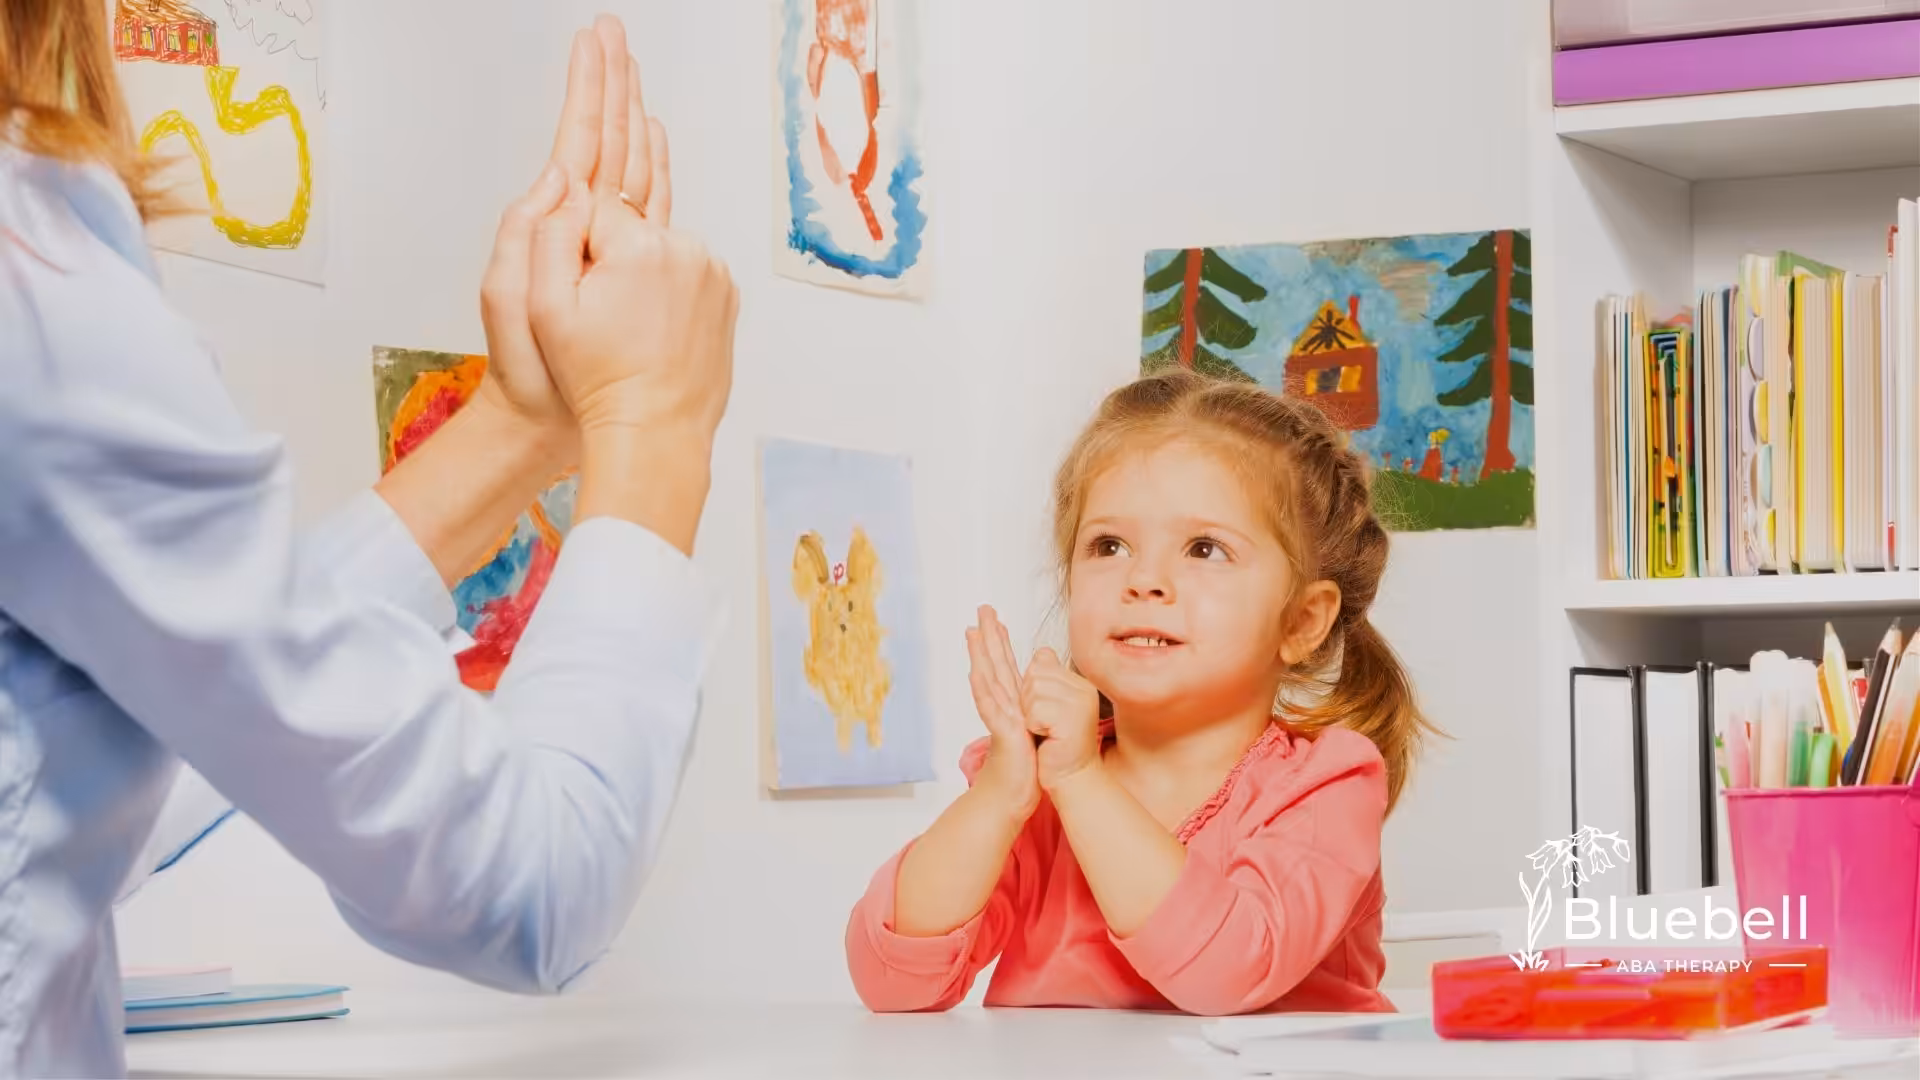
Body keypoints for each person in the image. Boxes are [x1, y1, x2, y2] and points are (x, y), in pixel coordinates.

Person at [0, 6, 737, 1076]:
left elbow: (78, 772)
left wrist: (517, 432)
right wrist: (656, 423)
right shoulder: (33, 285)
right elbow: (534, 883)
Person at [846, 368, 1440, 1016]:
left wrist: (1079, 780)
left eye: (1205, 549)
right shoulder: (1034, 789)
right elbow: (892, 982)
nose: (1145, 579)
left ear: (1301, 621)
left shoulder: (1326, 786)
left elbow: (1227, 974)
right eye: (1109, 545)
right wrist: (999, 798)